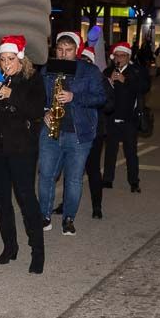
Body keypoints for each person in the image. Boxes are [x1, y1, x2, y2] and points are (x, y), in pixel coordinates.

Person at [0, 36, 46, 273]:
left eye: (11, 59)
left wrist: (11, 95)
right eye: (3, 59)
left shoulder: (32, 80)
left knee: (26, 198)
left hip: (21, 148)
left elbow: (37, 110)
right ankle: (10, 246)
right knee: (1, 200)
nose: (6, 63)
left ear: (21, 60)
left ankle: (37, 250)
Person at [37, 31, 107, 237]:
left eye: (68, 50)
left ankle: (68, 219)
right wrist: (44, 112)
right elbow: (38, 96)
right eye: (60, 50)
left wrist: (74, 96)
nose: (64, 54)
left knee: (74, 179)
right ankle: (44, 216)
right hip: (51, 131)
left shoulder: (90, 71)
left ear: (76, 51)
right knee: (46, 176)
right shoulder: (47, 70)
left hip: (78, 133)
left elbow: (101, 98)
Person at [102, 42, 150, 194]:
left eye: (122, 56)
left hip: (129, 118)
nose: (119, 58)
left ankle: (134, 182)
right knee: (110, 151)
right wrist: (107, 83)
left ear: (128, 57)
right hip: (112, 117)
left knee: (131, 152)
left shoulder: (136, 70)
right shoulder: (108, 71)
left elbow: (144, 87)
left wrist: (125, 80)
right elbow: (100, 91)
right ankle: (108, 179)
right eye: (117, 55)